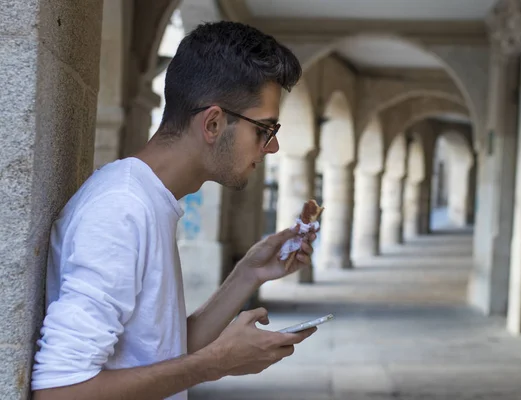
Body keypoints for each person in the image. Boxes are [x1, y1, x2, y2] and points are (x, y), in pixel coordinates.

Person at [31, 21, 317, 400]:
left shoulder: (148, 200)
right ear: (213, 123)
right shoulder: (122, 209)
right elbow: (60, 391)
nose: (273, 147)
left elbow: (160, 350)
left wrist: (250, 273)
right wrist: (215, 363)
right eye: (264, 129)